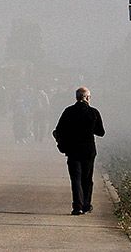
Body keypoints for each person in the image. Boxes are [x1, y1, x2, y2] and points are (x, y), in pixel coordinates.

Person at [52, 86, 105, 215]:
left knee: (75, 179)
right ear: (87, 98)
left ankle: (77, 206)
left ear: (76, 97)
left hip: (72, 150)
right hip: (88, 150)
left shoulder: (68, 111)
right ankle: (86, 205)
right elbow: (101, 132)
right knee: (87, 179)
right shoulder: (93, 112)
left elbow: (58, 130)